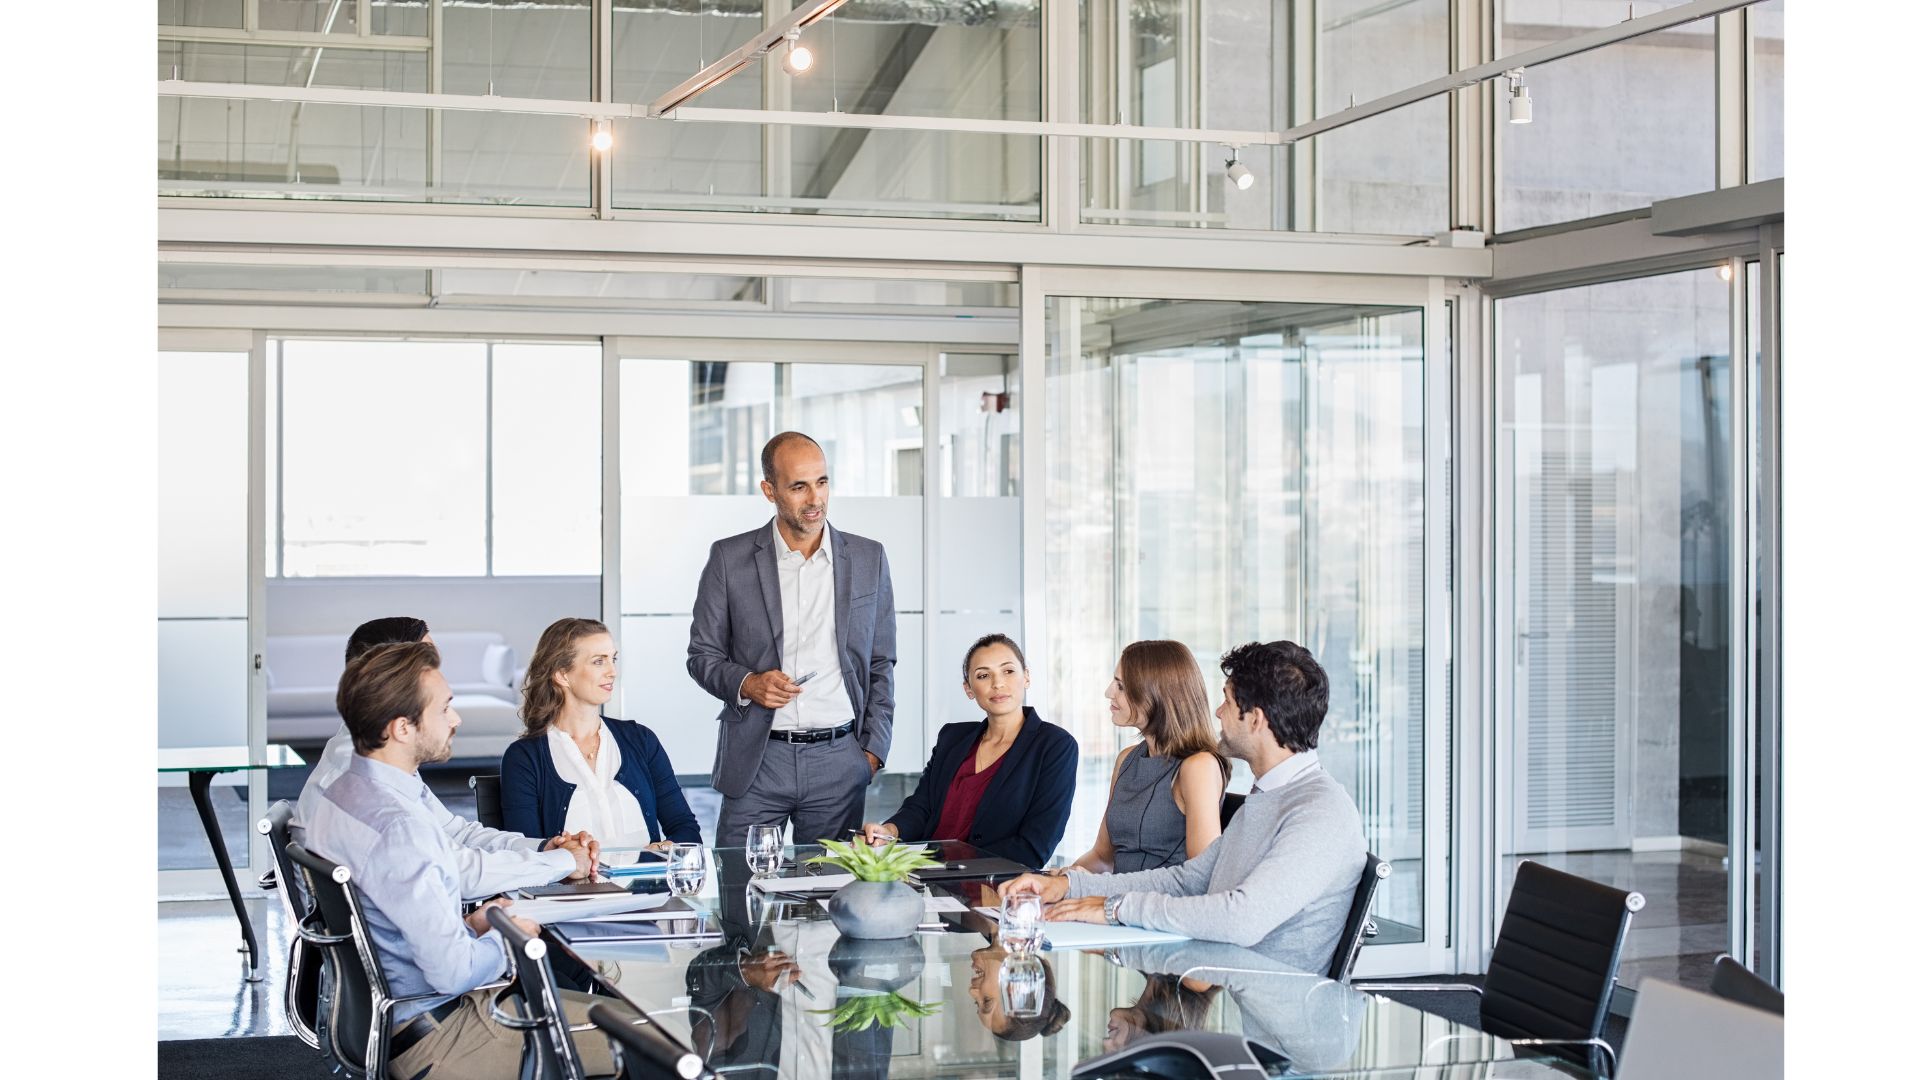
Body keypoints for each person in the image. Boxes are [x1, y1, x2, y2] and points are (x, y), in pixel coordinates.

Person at [301, 641, 619, 1079]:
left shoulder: (341, 795)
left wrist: (473, 924)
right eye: (444, 709)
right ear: (402, 728)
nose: (456, 719)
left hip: (393, 1022)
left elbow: (402, 915)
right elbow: (452, 973)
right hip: (446, 1037)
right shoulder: (399, 827)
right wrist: (512, 936)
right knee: (654, 1037)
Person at [1002, 640, 1366, 973]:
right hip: (1228, 985)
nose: (1218, 712)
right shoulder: (1267, 796)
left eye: (1226, 700)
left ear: (1255, 718)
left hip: (1268, 1023)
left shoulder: (1320, 810)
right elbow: (1189, 878)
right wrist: (1069, 888)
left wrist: (1113, 909)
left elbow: (1242, 918)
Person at [688, 431, 898, 848]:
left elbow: (881, 661)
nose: (815, 498)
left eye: (821, 482)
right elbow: (701, 655)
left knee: (825, 897)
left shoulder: (867, 556)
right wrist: (749, 683)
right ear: (770, 490)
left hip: (839, 760)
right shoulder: (729, 559)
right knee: (737, 891)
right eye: (799, 486)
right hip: (758, 757)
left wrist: (872, 750)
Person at [292, 616, 594, 895]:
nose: (438, 673)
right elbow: (455, 872)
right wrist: (561, 863)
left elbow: (453, 832)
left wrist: (543, 849)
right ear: (393, 677)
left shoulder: (378, 758)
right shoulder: (363, 782)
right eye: (427, 661)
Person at [857, 634, 1077, 868]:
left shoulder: (1055, 746)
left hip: (992, 887)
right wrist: (888, 831)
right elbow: (921, 807)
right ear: (969, 689)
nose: (997, 683)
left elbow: (1034, 847)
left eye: (1008, 671)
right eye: (983, 675)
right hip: (923, 877)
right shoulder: (953, 738)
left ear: (1027, 677)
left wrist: (949, 865)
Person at [501, 618, 703, 853]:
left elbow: (687, 831)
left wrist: (658, 851)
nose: (612, 672)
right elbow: (525, 853)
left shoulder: (641, 740)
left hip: (647, 887)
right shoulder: (524, 758)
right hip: (573, 889)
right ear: (562, 675)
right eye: (599, 662)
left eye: (613, 659)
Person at [1067, 640, 1227, 874]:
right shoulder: (1127, 759)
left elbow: (1200, 877)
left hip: (1155, 907)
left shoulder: (1198, 767)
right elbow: (1103, 858)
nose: (1108, 692)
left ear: (1157, 694)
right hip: (1112, 901)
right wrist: (1055, 881)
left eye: (1121, 686)